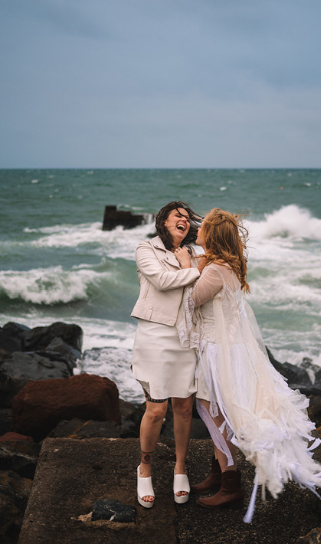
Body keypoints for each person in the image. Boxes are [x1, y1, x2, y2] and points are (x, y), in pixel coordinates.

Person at [178, 209, 321, 521]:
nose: (197, 230)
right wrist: (199, 263)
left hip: (217, 351)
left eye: (203, 227)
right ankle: (219, 475)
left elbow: (189, 301)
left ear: (212, 236)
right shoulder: (226, 266)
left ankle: (231, 482)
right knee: (218, 410)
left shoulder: (213, 271)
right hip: (230, 348)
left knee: (213, 411)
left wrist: (185, 267)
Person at [130, 201, 202, 508]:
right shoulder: (146, 249)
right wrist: (190, 269)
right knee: (156, 410)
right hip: (155, 336)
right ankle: (144, 468)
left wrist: (193, 263)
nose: (184, 221)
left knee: (184, 408)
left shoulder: (197, 252)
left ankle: (180, 467)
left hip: (188, 336)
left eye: (187, 218)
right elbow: (161, 281)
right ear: (163, 220)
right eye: (178, 216)